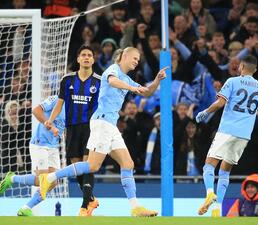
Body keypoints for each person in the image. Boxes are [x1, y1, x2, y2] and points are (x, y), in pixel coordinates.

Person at [41, 47, 168, 217]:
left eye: (138, 59)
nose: (137, 61)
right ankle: (48, 178)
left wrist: (157, 81)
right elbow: (113, 82)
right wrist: (131, 88)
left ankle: (135, 207)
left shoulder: (127, 79)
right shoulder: (113, 70)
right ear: (124, 56)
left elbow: (147, 92)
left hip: (111, 125)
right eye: (135, 58)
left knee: (128, 164)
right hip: (101, 122)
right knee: (93, 166)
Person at [195, 55, 258, 217]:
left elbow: (220, 103)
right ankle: (217, 210)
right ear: (255, 70)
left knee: (209, 165)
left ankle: (210, 192)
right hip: (244, 136)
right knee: (225, 171)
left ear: (241, 66)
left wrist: (205, 112)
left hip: (227, 130)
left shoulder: (232, 82)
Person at [45, 45, 101, 216]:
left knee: (88, 165)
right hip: (71, 128)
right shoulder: (67, 80)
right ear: (78, 59)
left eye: (89, 55)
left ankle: (84, 207)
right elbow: (60, 102)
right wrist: (50, 120)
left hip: (91, 128)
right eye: (83, 54)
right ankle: (91, 199)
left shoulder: (99, 81)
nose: (86, 57)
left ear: (93, 59)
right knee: (75, 167)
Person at [0, 95, 64, 216]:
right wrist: (49, 125)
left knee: (53, 182)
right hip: (40, 143)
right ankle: (26, 207)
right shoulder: (56, 99)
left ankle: (13, 181)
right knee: (44, 180)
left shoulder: (75, 105)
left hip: (53, 146)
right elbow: (36, 110)